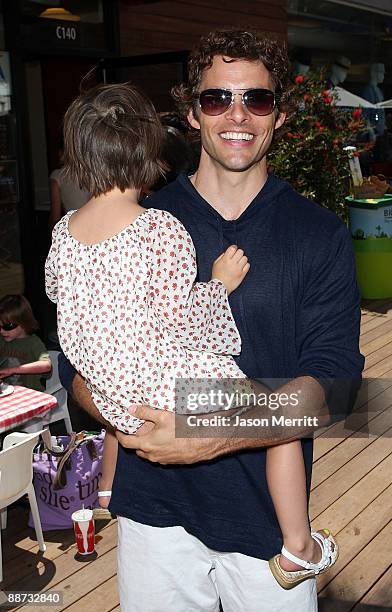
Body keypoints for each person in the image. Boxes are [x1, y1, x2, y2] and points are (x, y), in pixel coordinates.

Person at [58, 29, 363, 611]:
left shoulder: (318, 235)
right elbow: (78, 373)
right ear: (191, 112)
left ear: (280, 113)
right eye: (217, 98)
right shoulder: (137, 223)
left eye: (258, 99)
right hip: (154, 520)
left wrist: (202, 431)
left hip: (267, 531)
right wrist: (134, 418)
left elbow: (337, 389)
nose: (237, 114)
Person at [0, 294, 52, 391]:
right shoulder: (2, 339)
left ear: (23, 322)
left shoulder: (34, 343)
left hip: (30, 393)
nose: (1, 331)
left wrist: (12, 370)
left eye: (7, 326)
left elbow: (46, 365)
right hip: (6, 391)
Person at [48, 142, 90, 232]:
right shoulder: (92, 173)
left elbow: (55, 218)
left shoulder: (57, 176)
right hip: (96, 226)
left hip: (75, 230)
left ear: (61, 154)